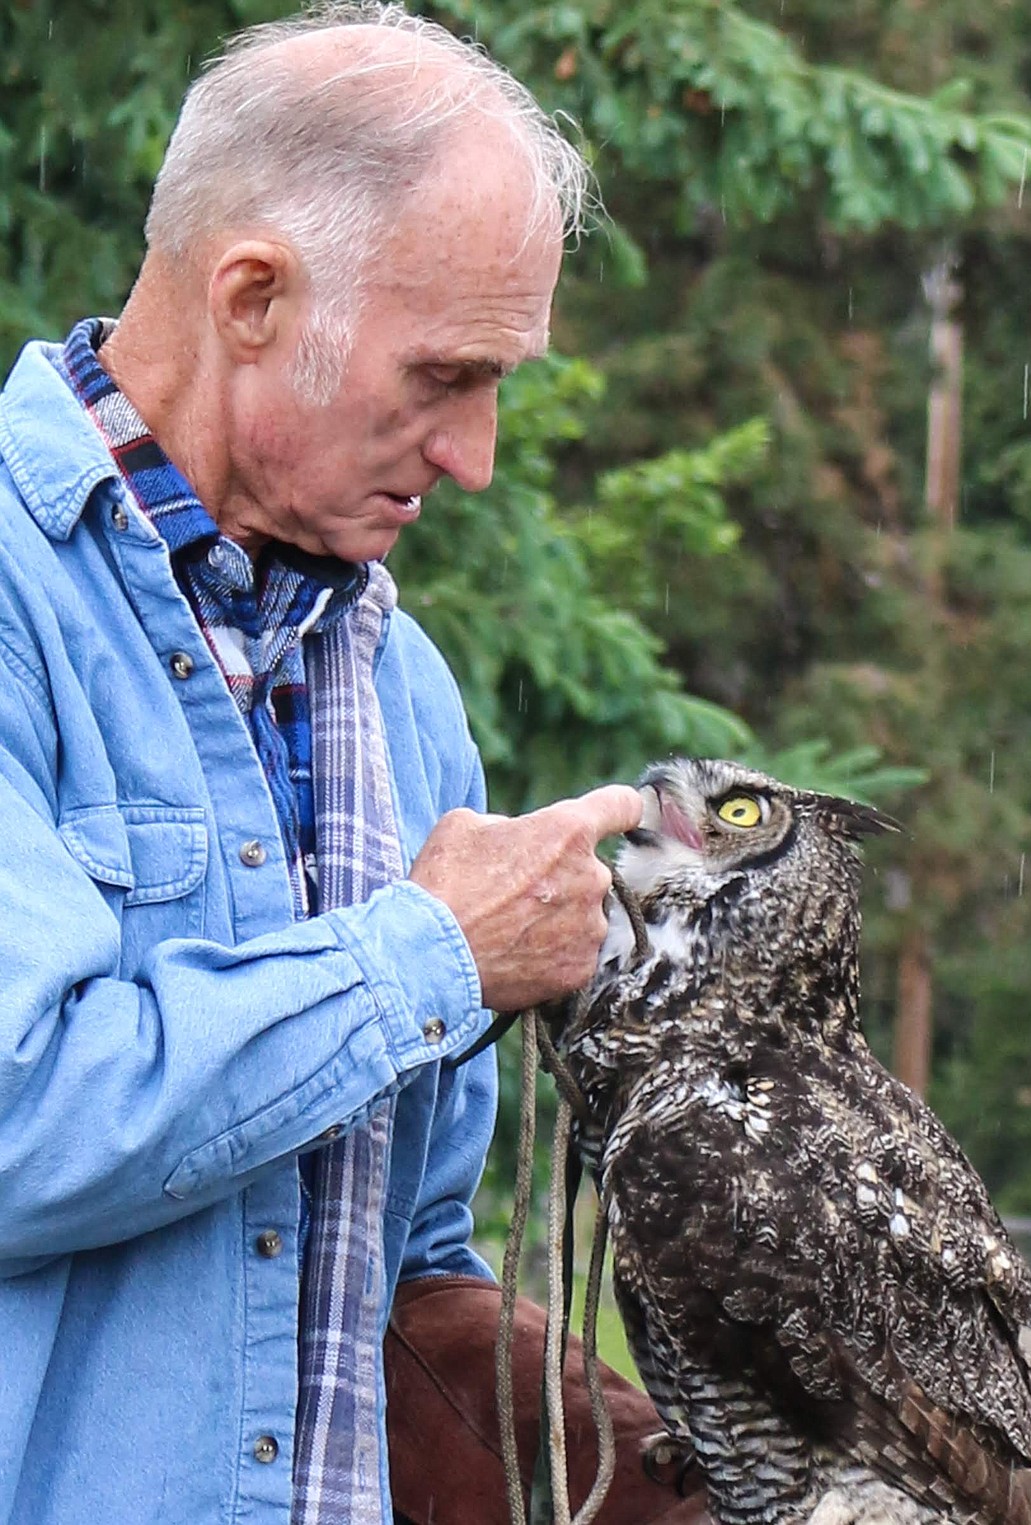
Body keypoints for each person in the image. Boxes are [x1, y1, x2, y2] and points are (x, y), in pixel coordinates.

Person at [0, 5, 707, 1523]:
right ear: (250, 296)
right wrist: (423, 959)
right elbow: (13, 1126)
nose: (478, 455)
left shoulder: (399, 685)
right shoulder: (13, 594)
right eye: (446, 376)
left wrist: (677, 1469)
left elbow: (398, 1265)